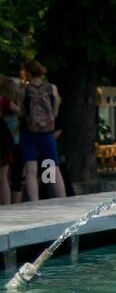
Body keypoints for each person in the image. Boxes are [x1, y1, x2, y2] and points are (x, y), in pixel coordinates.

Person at [19, 59, 66, 200]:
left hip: (29, 133)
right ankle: (61, 200)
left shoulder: (24, 90)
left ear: (27, 72)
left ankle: (35, 203)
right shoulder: (52, 88)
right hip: (47, 134)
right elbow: (55, 112)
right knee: (52, 167)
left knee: (31, 170)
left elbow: (22, 112)